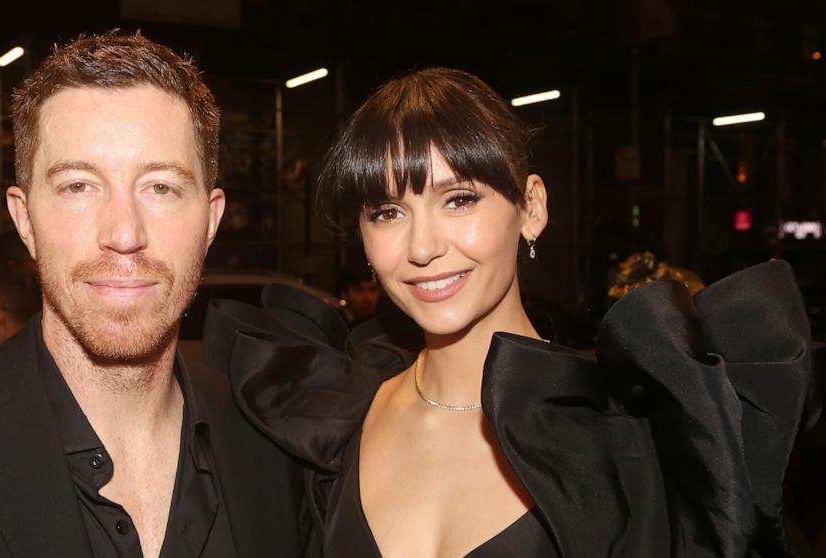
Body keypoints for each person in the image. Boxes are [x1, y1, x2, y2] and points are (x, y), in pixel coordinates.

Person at [204, 67, 824, 556]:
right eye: (387, 212)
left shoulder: (636, 440)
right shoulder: (330, 421)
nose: (422, 248)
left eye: (459, 199)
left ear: (531, 206)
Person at [0, 31, 306, 557]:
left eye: (161, 188)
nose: (124, 233)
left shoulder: (278, 449)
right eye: (79, 186)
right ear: (24, 219)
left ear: (211, 220)